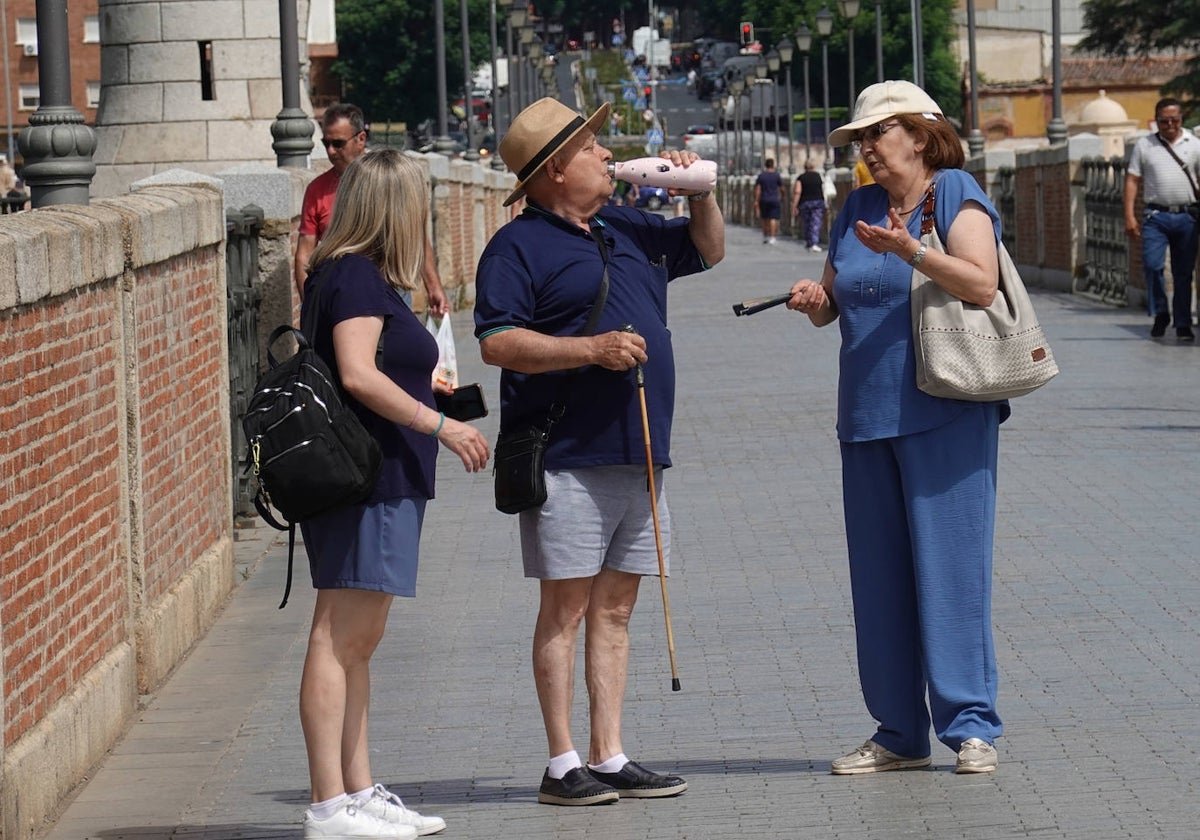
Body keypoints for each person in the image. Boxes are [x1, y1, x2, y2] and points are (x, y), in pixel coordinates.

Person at [473, 97, 725, 806]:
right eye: (592, 148)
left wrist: (697, 190)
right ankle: (562, 762)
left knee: (616, 608)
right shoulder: (517, 246)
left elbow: (707, 250)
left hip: (641, 450)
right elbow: (496, 340)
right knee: (567, 608)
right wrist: (591, 349)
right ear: (555, 169)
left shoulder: (625, 223)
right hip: (567, 455)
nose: (608, 157)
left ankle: (610, 753)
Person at [785, 80, 1006, 776]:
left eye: (877, 136)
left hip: (945, 408)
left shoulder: (954, 193)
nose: (868, 151)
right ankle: (898, 732)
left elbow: (981, 282)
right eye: (860, 141)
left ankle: (970, 726)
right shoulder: (856, 207)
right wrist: (814, 300)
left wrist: (912, 251)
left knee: (950, 573)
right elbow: (835, 304)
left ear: (916, 134)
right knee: (877, 580)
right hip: (866, 415)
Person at [298, 148, 490, 839]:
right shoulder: (354, 278)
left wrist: (427, 393)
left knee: (358, 641)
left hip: (383, 476)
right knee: (337, 636)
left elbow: (382, 368)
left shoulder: (362, 276)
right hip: (366, 477)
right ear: (395, 209)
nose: (426, 219)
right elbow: (356, 374)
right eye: (420, 204)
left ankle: (357, 788)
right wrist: (441, 425)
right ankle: (329, 806)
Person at [295, 103, 449, 317]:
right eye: (326, 143)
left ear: (361, 139)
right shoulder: (317, 190)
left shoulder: (387, 179)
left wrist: (434, 287)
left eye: (338, 143)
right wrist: (311, 304)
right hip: (343, 293)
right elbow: (304, 254)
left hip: (392, 287)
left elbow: (417, 236)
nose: (331, 151)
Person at [1123, 97, 1200, 340]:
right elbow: (1132, 180)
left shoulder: (1195, 145)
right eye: (1164, 120)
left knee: (1183, 272)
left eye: (1174, 120)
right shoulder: (1145, 146)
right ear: (1156, 121)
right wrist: (1129, 216)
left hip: (1187, 215)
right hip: (1155, 215)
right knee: (1152, 265)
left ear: (1181, 120)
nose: (1169, 124)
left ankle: (1183, 323)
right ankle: (1160, 313)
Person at [793, 159, 826, 252]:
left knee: (807, 223)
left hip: (805, 203)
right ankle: (814, 243)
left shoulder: (801, 178)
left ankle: (809, 242)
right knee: (816, 222)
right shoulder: (818, 176)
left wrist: (794, 205)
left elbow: (797, 191)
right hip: (818, 202)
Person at [754, 157, 784, 244]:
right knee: (773, 218)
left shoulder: (762, 176)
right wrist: (782, 196)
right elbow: (782, 188)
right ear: (773, 165)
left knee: (764, 218)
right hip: (774, 199)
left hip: (764, 199)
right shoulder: (776, 175)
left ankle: (765, 236)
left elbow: (758, 189)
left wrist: (756, 200)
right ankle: (772, 237)